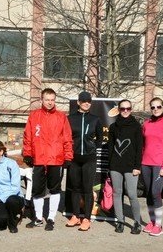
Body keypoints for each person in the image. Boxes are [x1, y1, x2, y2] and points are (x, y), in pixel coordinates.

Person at [23, 88, 73, 231]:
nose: (50, 102)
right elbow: (28, 136)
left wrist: (68, 156)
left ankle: (51, 218)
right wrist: (28, 154)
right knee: (37, 189)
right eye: (47, 100)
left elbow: (67, 138)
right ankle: (38, 218)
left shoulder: (61, 117)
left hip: (55, 159)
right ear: (42, 100)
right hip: (38, 158)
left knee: (55, 189)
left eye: (52, 100)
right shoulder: (34, 116)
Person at [66, 91, 103, 231]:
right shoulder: (70, 119)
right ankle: (76, 216)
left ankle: (86, 218)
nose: (86, 103)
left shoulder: (95, 119)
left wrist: (93, 148)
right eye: (84, 101)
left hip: (89, 158)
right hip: (74, 158)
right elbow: (66, 137)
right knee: (75, 188)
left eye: (89, 101)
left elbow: (100, 138)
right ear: (78, 102)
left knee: (87, 189)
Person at [107, 99, 143, 234]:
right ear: (119, 110)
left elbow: (139, 148)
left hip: (131, 166)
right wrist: (110, 165)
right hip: (115, 166)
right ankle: (120, 221)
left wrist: (137, 166)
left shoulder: (136, 126)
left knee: (132, 194)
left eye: (128, 108)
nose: (125, 111)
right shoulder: (113, 127)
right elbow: (110, 147)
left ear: (131, 109)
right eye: (123, 109)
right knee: (117, 193)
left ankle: (137, 223)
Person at [141, 97, 163, 237]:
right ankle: (152, 222)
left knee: (155, 193)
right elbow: (143, 145)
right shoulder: (146, 123)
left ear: (162, 107)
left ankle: (159, 225)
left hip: (158, 164)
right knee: (149, 193)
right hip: (145, 163)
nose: (156, 109)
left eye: (158, 106)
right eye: (153, 107)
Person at [0, 140, 24, 233]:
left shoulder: (12, 164)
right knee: (0, 222)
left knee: (11, 201)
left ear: (1, 152)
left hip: (14, 196)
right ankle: (6, 215)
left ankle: (12, 223)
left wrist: (0, 199)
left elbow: (15, 187)